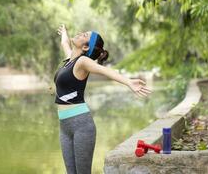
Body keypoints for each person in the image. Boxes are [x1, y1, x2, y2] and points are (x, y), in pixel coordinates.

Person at [53, 24, 152, 174]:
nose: (80, 33)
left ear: (86, 48)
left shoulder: (82, 62)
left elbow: (104, 70)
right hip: (64, 127)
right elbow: (65, 44)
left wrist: (128, 82)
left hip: (81, 125)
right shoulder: (69, 61)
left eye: (85, 35)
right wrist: (64, 34)